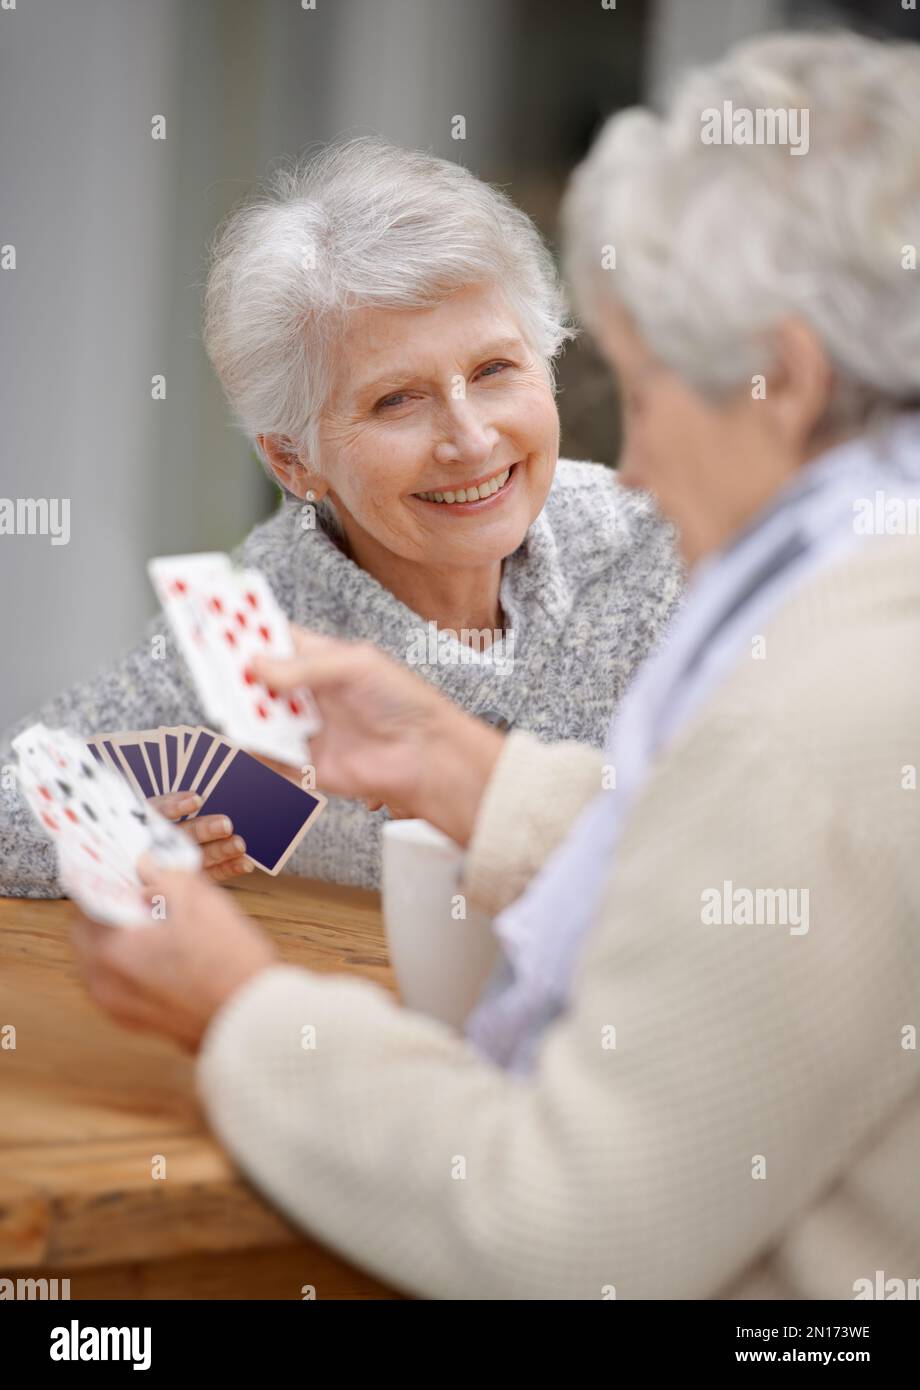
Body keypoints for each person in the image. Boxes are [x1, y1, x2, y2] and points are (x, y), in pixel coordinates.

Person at [73, 31, 920, 1298]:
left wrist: (245, 1006)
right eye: (396, 401)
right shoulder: (860, 594)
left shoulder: (801, 704)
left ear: (782, 382)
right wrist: (485, 782)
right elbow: (741, 865)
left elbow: (565, 1238)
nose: (622, 465)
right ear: (293, 460)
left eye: (634, 386)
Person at [0, 138, 680, 896]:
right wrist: (119, 835)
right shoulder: (262, 618)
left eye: (494, 370)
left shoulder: (659, 545)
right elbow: (11, 800)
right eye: (397, 400)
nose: (472, 439)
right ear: (294, 461)